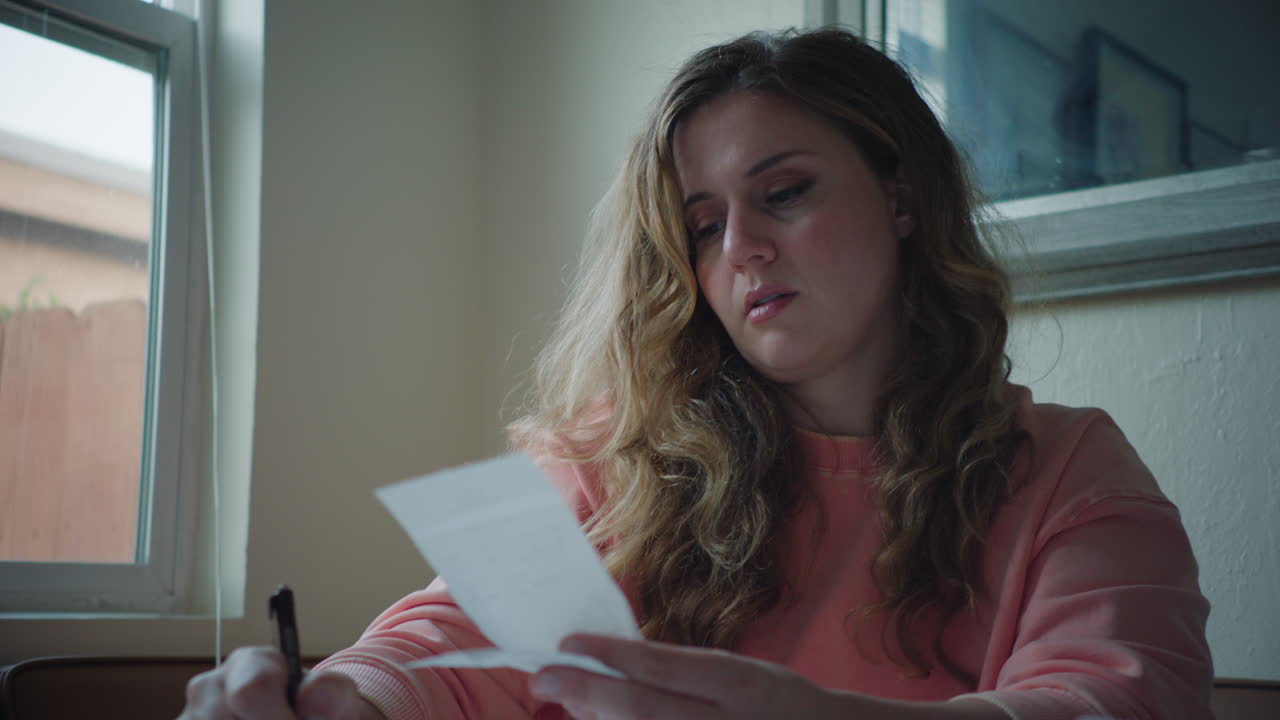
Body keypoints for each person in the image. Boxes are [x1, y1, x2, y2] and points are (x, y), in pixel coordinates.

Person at [180, 28, 1213, 720]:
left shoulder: (1069, 473)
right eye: (702, 225)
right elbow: (445, 636)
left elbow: (1110, 701)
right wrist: (339, 694)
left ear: (900, 195)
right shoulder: (611, 459)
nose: (741, 250)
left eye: (786, 192)